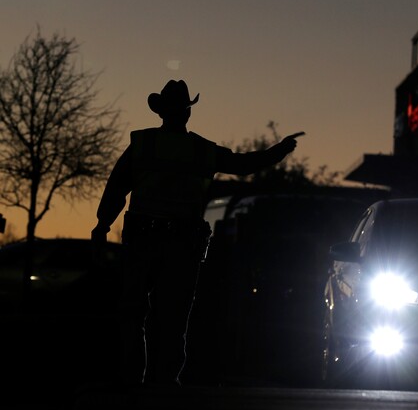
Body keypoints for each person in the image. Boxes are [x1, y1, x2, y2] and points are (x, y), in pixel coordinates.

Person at [90, 79, 304, 387]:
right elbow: (244, 164)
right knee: (174, 314)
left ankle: (131, 379)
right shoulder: (203, 151)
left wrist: (102, 226)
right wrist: (279, 151)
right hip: (183, 245)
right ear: (187, 114)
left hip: (143, 240)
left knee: (133, 312)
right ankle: (164, 381)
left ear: (161, 112)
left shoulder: (143, 144)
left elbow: (116, 190)